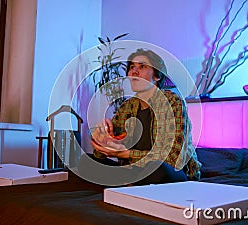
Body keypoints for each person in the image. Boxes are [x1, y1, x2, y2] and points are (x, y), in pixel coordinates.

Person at [84, 48, 201, 185]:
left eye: (142, 66)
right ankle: (130, 183)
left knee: (156, 168)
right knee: (85, 162)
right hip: (134, 170)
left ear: (157, 76)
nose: (134, 71)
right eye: (132, 67)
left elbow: (171, 158)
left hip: (170, 171)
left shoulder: (172, 102)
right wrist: (101, 138)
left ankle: (126, 184)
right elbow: (102, 153)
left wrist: (127, 154)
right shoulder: (127, 107)